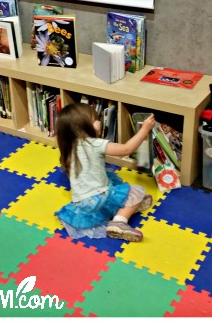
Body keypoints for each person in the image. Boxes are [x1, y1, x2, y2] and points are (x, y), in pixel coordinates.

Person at [54, 103, 155, 242]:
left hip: (82, 204)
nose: (99, 122)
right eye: (94, 120)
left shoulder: (70, 146)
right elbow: (126, 149)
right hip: (99, 200)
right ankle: (119, 222)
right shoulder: (94, 143)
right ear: (80, 128)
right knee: (132, 191)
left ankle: (126, 207)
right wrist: (145, 129)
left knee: (111, 179)